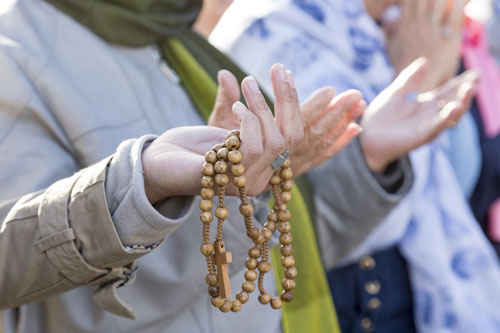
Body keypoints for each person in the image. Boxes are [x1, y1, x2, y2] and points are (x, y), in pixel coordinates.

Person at [0, 0, 409, 332]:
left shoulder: (168, 32)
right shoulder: (14, 59)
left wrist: (367, 158)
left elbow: (272, 251)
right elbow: (34, 285)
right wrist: (142, 189)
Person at [211, 0, 500, 331]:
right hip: (351, 307)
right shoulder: (271, 30)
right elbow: (312, 221)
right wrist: (414, 86)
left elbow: (468, 182)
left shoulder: (407, 26)